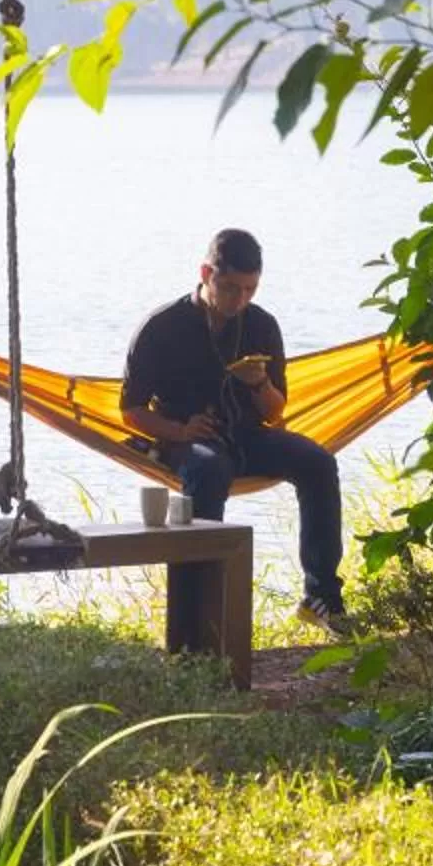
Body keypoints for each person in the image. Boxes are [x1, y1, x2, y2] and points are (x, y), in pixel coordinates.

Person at [119, 227, 346, 629]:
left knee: (319, 463)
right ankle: (200, 613)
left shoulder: (261, 325)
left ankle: (321, 598)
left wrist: (258, 382)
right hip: (187, 441)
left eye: (249, 289)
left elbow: (276, 412)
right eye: (229, 287)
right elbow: (132, 411)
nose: (238, 300)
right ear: (205, 272)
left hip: (249, 436)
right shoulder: (161, 327)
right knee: (209, 471)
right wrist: (180, 431)